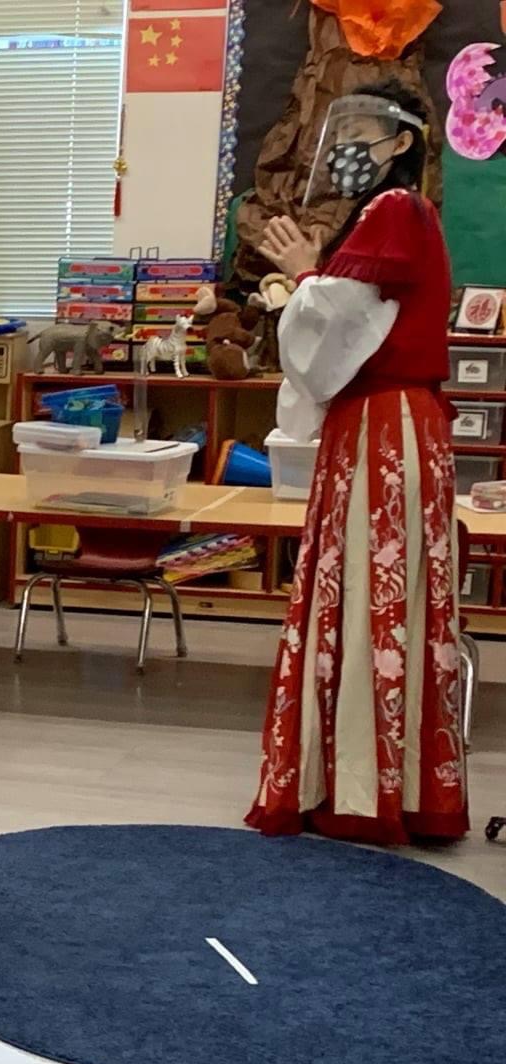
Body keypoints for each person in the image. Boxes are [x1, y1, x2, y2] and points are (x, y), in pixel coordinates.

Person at [247, 82, 468, 844]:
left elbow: (341, 324)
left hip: (384, 423)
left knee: (371, 591)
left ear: (401, 142)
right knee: (378, 591)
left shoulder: (396, 209)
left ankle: (364, 789)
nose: (346, 145)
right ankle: (386, 780)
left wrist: (306, 276)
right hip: (386, 421)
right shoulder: (400, 214)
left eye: (364, 129)